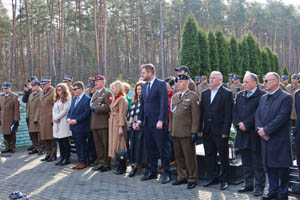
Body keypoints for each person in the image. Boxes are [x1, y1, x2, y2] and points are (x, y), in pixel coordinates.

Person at [256, 72, 293, 200]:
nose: (264, 83)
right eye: (264, 80)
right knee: (269, 166)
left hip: (279, 140)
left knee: (281, 167)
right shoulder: (263, 98)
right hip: (265, 139)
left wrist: (266, 131)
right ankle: (272, 191)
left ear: (276, 81)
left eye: (266, 81)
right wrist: (260, 130)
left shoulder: (285, 97)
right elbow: (258, 116)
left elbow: (281, 118)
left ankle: (283, 194)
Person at [136, 63, 171, 184]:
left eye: (144, 73)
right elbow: (143, 105)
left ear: (150, 73)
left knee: (162, 149)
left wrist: (161, 120)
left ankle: (166, 173)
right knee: (150, 149)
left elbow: (164, 103)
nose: (142, 75)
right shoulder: (144, 86)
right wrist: (140, 120)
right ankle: (153, 172)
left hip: (158, 123)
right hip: (147, 123)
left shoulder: (161, 85)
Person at [233, 72, 266, 196]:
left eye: (247, 82)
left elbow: (258, 113)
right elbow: (234, 111)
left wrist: (246, 124)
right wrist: (237, 123)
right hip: (242, 134)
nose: (244, 84)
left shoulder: (262, 95)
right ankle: (248, 185)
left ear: (255, 83)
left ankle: (259, 187)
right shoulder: (240, 95)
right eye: (244, 82)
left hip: (254, 134)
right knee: (246, 162)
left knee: (257, 163)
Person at [199, 71, 233, 190]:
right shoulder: (205, 93)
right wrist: (200, 128)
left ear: (220, 80)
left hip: (220, 131)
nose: (211, 80)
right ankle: (213, 177)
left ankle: (224, 179)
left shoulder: (227, 93)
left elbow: (228, 114)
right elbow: (201, 112)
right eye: (210, 78)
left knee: (223, 156)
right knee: (209, 154)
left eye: (214, 78)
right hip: (207, 130)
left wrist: (225, 131)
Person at [169, 74, 200, 189]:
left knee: (189, 157)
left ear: (187, 82)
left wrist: (194, 131)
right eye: (177, 82)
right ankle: (181, 177)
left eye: (181, 82)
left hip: (187, 132)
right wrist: (170, 129)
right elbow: (172, 115)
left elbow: (196, 116)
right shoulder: (175, 96)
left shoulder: (192, 96)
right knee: (178, 157)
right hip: (176, 131)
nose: (178, 84)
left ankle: (192, 178)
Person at [90, 75, 112, 172]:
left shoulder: (107, 93)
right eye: (95, 81)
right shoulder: (95, 94)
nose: (96, 83)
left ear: (104, 82)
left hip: (103, 123)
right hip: (95, 123)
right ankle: (101, 162)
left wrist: (97, 108)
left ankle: (106, 164)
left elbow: (108, 107)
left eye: (98, 81)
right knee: (98, 145)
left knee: (105, 144)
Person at [67, 81, 91, 169]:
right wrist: (68, 118)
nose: (73, 91)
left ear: (81, 89)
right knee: (77, 144)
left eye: (75, 89)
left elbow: (86, 113)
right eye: (73, 89)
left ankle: (83, 161)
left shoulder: (87, 99)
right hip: (73, 126)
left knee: (82, 144)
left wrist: (76, 120)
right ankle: (79, 161)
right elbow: (70, 111)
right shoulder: (74, 99)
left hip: (82, 126)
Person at [108, 80, 128, 175]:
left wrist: (121, 126)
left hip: (118, 123)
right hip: (113, 122)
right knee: (115, 144)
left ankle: (122, 166)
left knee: (120, 145)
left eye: (113, 88)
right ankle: (119, 165)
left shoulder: (122, 99)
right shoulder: (115, 98)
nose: (112, 90)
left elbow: (122, 114)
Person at [128, 81, 148, 177]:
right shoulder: (135, 101)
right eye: (137, 89)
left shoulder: (145, 101)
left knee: (143, 148)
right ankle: (135, 166)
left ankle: (145, 167)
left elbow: (145, 114)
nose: (139, 91)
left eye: (140, 89)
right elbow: (131, 115)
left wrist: (140, 124)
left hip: (142, 128)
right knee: (134, 148)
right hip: (134, 127)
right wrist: (132, 124)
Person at [52, 83, 72, 166]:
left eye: (59, 89)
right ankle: (62, 157)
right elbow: (53, 110)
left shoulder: (67, 99)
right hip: (56, 122)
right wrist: (54, 118)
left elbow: (65, 110)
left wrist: (57, 117)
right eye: (57, 89)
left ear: (64, 90)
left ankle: (67, 158)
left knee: (65, 141)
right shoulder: (57, 99)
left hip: (63, 122)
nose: (58, 91)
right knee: (59, 141)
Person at [0, 82, 20, 154]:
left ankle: (12, 147)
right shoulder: (1, 97)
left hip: (11, 118)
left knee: (12, 134)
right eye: (4, 88)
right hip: (3, 119)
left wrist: (16, 120)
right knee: (5, 134)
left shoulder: (14, 96)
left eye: (7, 88)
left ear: (10, 88)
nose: (5, 90)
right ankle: (7, 147)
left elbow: (16, 109)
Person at [40, 78, 56, 162]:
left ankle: (53, 155)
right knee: (45, 137)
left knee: (52, 138)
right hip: (43, 118)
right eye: (42, 84)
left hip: (50, 118)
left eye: (44, 84)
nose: (43, 86)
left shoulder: (53, 91)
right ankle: (48, 154)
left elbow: (55, 106)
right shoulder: (42, 92)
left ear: (49, 83)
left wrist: (53, 118)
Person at [26, 80, 42, 155]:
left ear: (38, 86)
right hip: (31, 117)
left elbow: (40, 106)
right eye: (32, 86)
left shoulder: (41, 93)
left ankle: (41, 149)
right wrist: (27, 116)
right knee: (33, 134)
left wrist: (36, 117)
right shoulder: (31, 94)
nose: (32, 87)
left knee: (40, 134)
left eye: (34, 86)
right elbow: (28, 106)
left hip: (39, 117)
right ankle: (36, 148)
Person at [22, 76, 37, 151]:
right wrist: (26, 91)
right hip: (29, 113)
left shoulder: (36, 89)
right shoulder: (29, 91)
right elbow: (24, 100)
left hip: (35, 114)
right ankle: (34, 144)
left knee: (36, 131)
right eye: (29, 82)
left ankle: (38, 146)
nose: (30, 83)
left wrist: (30, 89)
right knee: (30, 130)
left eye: (31, 81)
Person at [85, 79, 97, 165]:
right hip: (89, 122)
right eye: (90, 87)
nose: (91, 89)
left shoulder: (97, 96)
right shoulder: (89, 96)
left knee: (95, 142)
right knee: (90, 142)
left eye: (92, 87)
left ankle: (95, 157)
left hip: (96, 121)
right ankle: (90, 157)